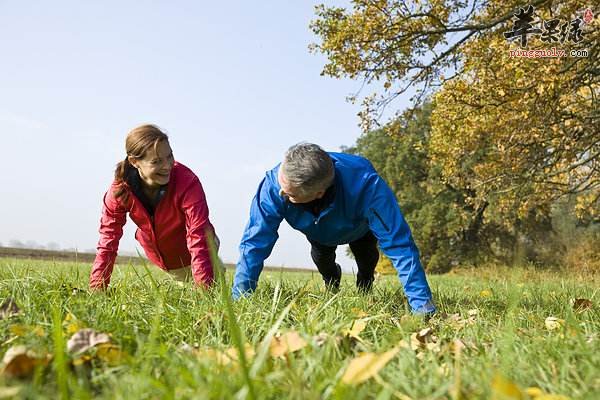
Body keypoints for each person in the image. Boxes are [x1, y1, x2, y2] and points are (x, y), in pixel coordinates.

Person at [232, 143, 436, 314]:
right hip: (318, 232)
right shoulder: (273, 185)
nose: (280, 194)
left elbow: (400, 245)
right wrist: (240, 299)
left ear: (318, 193)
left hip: (358, 228)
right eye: (281, 185)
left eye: (290, 195)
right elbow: (255, 242)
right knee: (322, 260)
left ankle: (365, 284)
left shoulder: (367, 186)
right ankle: (332, 281)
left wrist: (422, 307)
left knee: (366, 258)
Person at [89, 124, 218, 289]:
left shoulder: (187, 182)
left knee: (214, 287)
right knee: (184, 284)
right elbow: (108, 239)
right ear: (134, 162)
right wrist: (97, 287)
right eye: (156, 161)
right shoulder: (120, 191)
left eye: (170, 156)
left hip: (201, 248)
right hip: (166, 259)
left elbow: (198, 234)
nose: (167, 166)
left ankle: (213, 276)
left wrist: (204, 289)